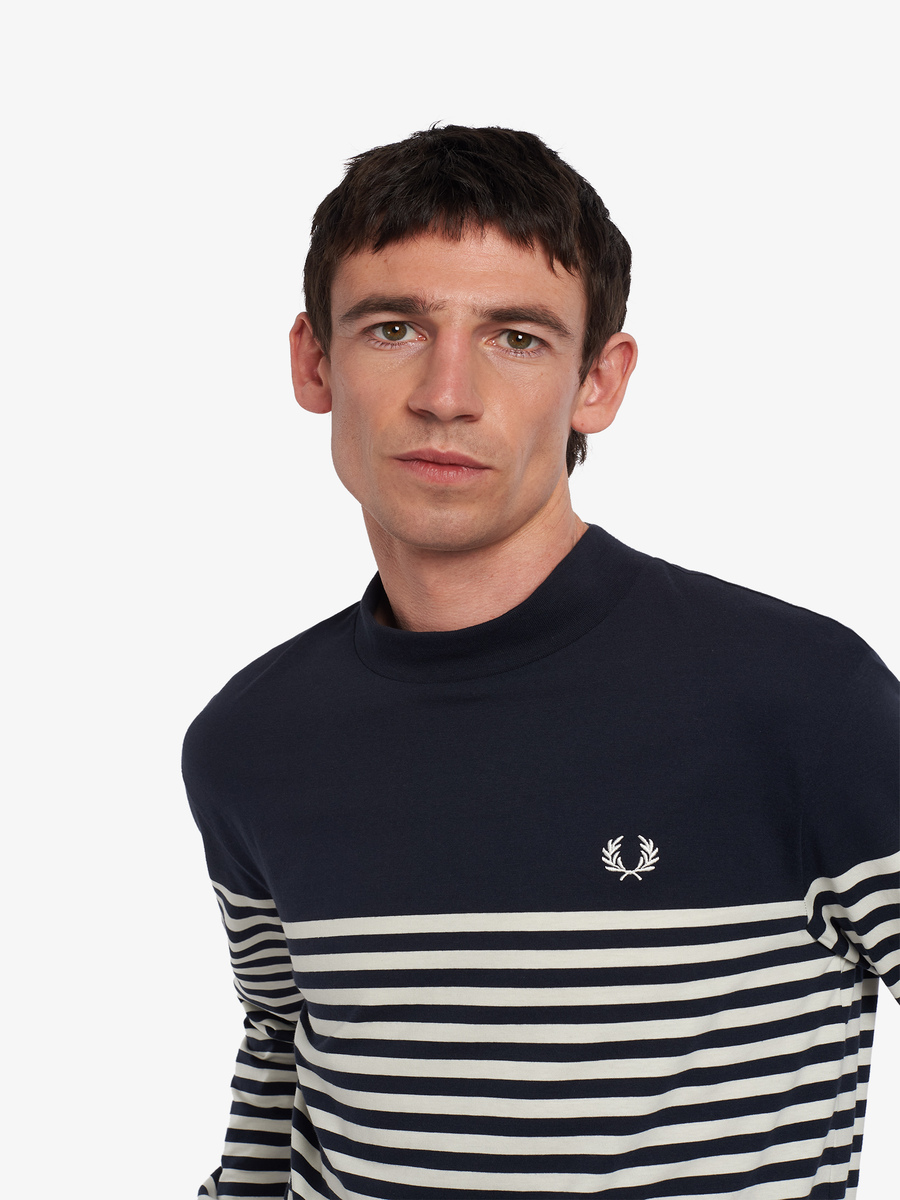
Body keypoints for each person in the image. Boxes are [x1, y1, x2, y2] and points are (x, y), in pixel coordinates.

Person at [183, 126, 899, 1200]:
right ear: (314, 361)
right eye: (393, 328)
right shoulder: (250, 741)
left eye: (516, 337)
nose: (446, 393)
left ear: (597, 382)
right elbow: (284, 1056)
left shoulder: (800, 700)